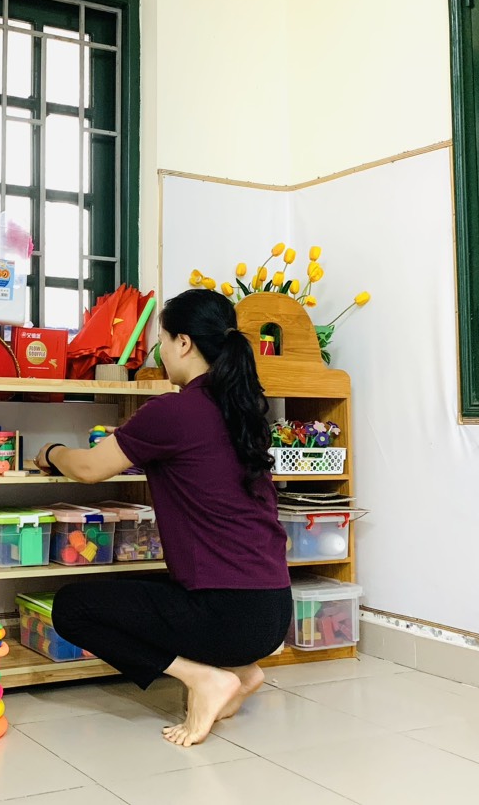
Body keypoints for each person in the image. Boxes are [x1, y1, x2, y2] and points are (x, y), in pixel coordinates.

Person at [34, 288, 291, 747]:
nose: (161, 352)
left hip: (226, 615)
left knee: (73, 608)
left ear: (184, 343)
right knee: (146, 590)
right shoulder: (243, 410)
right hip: (272, 612)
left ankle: (204, 678)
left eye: (163, 341)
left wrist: (51, 451)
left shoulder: (174, 410)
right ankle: (242, 670)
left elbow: (89, 468)